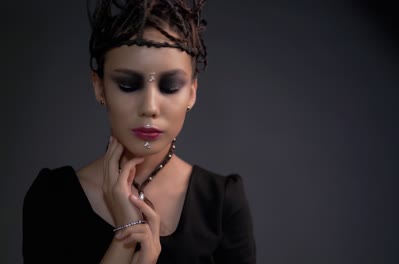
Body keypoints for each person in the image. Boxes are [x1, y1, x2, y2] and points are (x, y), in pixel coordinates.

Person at [22, 0, 256, 263]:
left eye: (170, 86)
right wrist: (125, 239)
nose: (149, 108)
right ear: (99, 88)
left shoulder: (221, 203)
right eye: (128, 84)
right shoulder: (52, 200)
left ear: (191, 92)